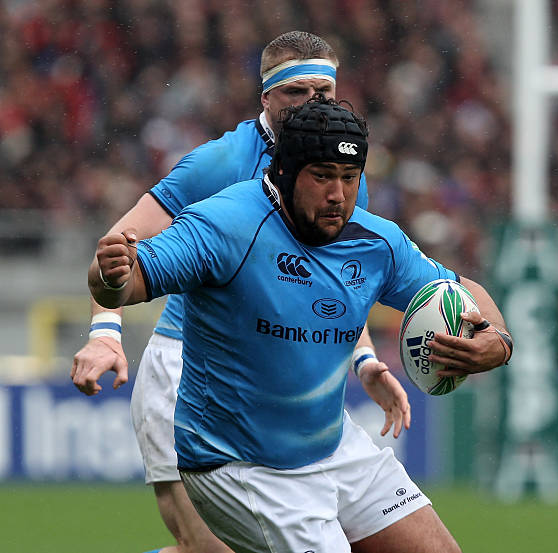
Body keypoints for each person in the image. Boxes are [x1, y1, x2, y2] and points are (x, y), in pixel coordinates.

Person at [89, 95, 513, 553]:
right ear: (284, 172)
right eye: (323, 176)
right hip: (239, 465)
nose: (339, 194)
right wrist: (110, 274)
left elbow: (463, 289)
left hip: (333, 448)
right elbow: (128, 282)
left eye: (350, 178)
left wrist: (499, 343)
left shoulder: (375, 241)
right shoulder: (226, 225)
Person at [72, 31, 408, 553]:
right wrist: (105, 332)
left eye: (323, 91)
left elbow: (336, 284)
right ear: (266, 99)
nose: (312, 103)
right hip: (188, 369)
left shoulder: (339, 175)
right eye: (297, 92)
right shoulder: (219, 163)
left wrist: (363, 360)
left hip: (267, 376)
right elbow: (118, 250)